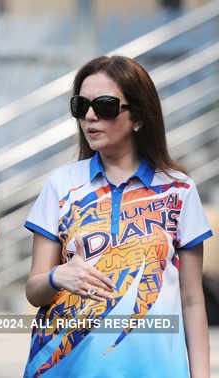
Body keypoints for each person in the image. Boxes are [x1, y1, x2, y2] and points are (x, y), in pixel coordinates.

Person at [24, 55, 211, 377]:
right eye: (81, 106)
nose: (90, 117)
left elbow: (192, 300)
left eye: (105, 106)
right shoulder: (61, 185)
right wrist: (58, 277)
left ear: (137, 116)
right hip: (67, 367)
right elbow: (34, 290)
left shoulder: (179, 190)